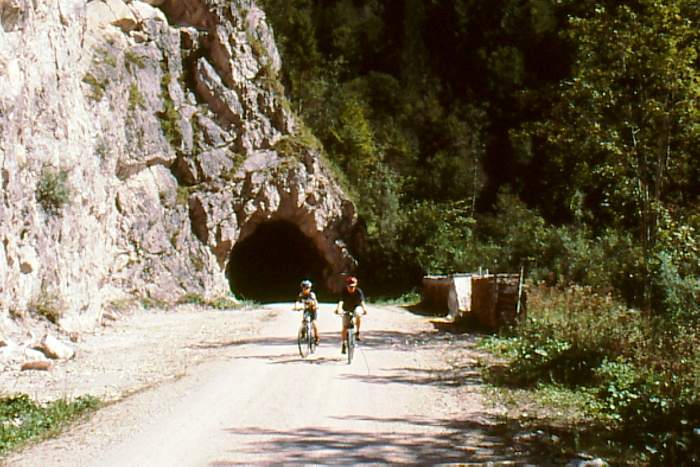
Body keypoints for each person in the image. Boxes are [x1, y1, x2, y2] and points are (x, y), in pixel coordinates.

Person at [335, 276, 368, 354]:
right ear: (347, 286)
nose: (351, 288)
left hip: (356, 307)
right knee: (345, 327)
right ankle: (343, 343)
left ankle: (357, 332)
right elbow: (340, 301)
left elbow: (362, 301)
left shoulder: (358, 291)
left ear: (355, 285)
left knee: (358, 314)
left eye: (353, 286)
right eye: (350, 286)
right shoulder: (344, 291)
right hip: (346, 309)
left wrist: (365, 309)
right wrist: (338, 309)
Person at [295, 279, 319, 344]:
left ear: (310, 288)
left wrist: (315, 306)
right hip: (306, 310)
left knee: (314, 322)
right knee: (304, 320)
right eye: (304, 287)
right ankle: (303, 332)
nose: (305, 289)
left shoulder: (312, 294)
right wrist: (296, 307)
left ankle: (317, 337)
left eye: (307, 288)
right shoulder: (301, 295)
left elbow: (315, 302)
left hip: (313, 310)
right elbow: (297, 301)